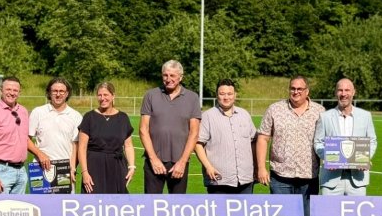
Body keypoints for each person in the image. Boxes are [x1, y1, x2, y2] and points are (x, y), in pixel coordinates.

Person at [256, 76, 325, 216]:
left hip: (309, 178)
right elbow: (263, 138)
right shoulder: (275, 109)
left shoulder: (320, 112)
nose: (296, 92)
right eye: (293, 88)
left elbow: (329, 141)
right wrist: (261, 168)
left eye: (300, 89)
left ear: (307, 91)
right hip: (280, 177)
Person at [139, 60, 202, 194]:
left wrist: (183, 162)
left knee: (178, 207)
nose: (168, 79)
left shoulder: (192, 98)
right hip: (154, 163)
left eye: (172, 76)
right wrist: (153, 159)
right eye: (165, 75)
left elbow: (194, 133)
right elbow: (143, 130)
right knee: (150, 207)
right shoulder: (151, 95)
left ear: (180, 77)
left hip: (179, 163)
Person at [313, 78, 377, 196]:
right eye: (340, 90)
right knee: (329, 214)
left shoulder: (365, 116)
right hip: (331, 180)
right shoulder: (325, 117)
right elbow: (318, 142)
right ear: (335, 92)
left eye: (347, 90)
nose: (343, 94)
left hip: (357, 179)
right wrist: (327, 157)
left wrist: (366, 158)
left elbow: (372, 141)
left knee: (356, 214)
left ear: (353, 92)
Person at [194, 79, 257, 194]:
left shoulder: (245, 115)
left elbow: (253, 142)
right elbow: (198, 144)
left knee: (244, 212)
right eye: (222, 94)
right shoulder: (208, 116)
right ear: (217, 95)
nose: (226, 97)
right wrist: (208, 167)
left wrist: (256, 167)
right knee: (219, 212)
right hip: (219, 181)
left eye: (229, 94)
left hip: (245, 180)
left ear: (235, 95)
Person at [78, 82, 136, 193]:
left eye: (106, 95)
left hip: (117, 167)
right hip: (94, 166)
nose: (102, 98)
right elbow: (82, 147)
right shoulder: (89, 117)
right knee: (93, 203)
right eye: (100, 95)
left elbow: (128, 145)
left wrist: (132, 166)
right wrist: (84, 172)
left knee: (116, 203)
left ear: (113, 96)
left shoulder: (123, 118)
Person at [28, 77, 83, 192]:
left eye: (61, 91)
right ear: (49, 92)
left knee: (63, 207)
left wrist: (72, 168)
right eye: (55, 91)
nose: (58, 94)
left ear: (67, 93)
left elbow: (75, 145)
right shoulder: (38, 112)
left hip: (64, 169)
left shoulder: (76, 116)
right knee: (40, 207)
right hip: (40, 167)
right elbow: (26, 140)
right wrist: (40, 154)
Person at [0, 77, 33, 194]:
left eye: (15, 90)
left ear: (19, 92)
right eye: (8, 89)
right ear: (1, 91)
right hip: (0, 170)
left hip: (21, 170)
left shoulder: (23, 111)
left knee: (18, 210)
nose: (12, 93)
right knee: (1, 210)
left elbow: (25, 139)